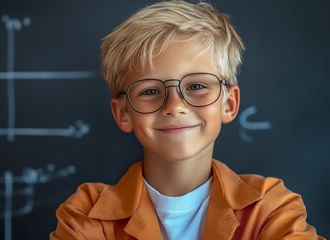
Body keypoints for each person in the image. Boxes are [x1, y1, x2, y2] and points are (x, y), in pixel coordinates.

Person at [50, 0, 324, 239]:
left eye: (196, 86)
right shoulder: (87, 215)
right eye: (150, 91)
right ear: (123, 114)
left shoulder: (269, 208)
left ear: (229, 104)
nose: (175, 106)